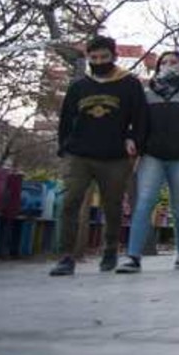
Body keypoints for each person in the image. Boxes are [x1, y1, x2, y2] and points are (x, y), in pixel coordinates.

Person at [51, 36, 147, 276]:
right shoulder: (79, 87)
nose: (99, 61)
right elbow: (65, 120)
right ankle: (66, 256)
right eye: (94, 58)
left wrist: (134, 139)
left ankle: (111, 248)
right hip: (79, 154)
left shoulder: (130, 84)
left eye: (104, 57)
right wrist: (64, 147)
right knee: (69, 202)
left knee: (112, 206)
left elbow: (142, 118)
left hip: (114, 157)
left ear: (114, 56)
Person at [116, 51, 179, 274]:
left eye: (174, 62)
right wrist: (133, 139)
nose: (168, 65)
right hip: (153, 156)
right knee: (144, 203)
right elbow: (138, 122)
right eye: (164, 62)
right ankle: (133, 256)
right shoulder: (148, 92)